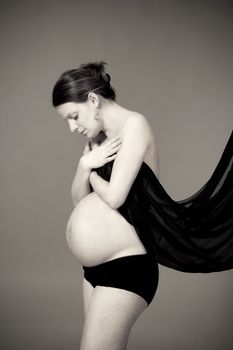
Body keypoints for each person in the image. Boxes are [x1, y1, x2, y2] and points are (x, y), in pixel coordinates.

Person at [52, 61, 233, 350]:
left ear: (93, 100)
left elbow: (115, 197)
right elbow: (79, 202)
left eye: (73, 116)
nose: (73, 127)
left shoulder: (134, 125)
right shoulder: (98, 140)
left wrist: (93, 171)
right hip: (93, 269)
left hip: (126, 267)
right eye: (68, 121)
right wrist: (84, 165)